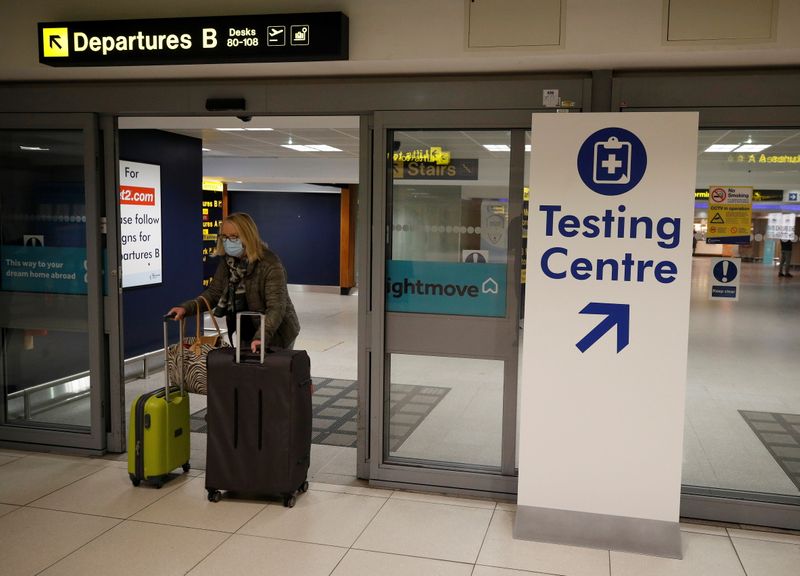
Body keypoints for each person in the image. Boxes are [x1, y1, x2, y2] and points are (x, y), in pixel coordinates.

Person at [168, 212, 300, 351]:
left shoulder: (270, 264)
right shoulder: (228, 262)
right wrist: (186, 308)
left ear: (248, 236)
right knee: (246, 369)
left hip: (276, 332)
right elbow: (214, 293)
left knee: (272, 370)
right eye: (224, 237)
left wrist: (261, 337)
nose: (228, 241)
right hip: (245, 329)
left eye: (234, 237)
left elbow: (276, 307)